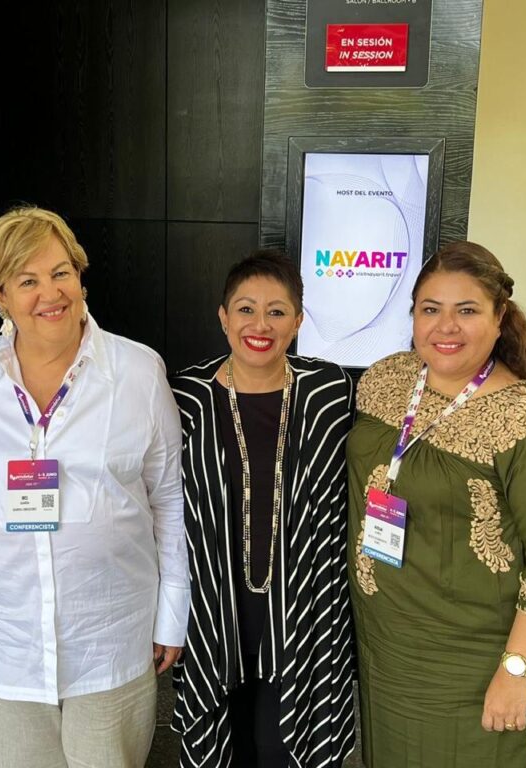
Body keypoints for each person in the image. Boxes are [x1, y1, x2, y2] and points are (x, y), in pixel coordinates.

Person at [0, 206, 189, 768]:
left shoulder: (137, 372)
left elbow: (169, 497)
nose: (50, 293)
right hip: (5, 639)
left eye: (61, 273)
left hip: (108, 636)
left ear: (81, 277)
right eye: (27, 280)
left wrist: (171, 613)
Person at [347, 241, 526, 767]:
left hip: (472, 659)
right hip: (386, 643)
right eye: (431, 309)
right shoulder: (386, 380)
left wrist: (515, 672)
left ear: (501, 318)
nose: (446, 327)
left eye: (468, 310)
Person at [171, 250, 357, 767]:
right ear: (223, 317)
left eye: (277, 311)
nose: (261, 324)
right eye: (246, 309)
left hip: (306, 609)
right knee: (224, 746)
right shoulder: (185, 396)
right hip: (213, 604)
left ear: (298, 321)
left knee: (284, 748)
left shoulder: (329, 392)